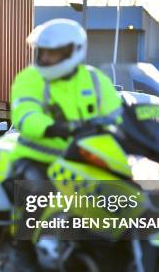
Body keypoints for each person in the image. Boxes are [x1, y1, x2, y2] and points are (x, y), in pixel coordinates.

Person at [10, 18, 123, 178]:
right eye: (43, 52)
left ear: (72, 51)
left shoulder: (96, 79)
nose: (46, 58)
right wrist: (54, 128)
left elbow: (117, 117)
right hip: (38, 160)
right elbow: (25, 115)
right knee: (36, 196)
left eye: (53, 53)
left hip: (89, 161)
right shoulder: (30, 77)